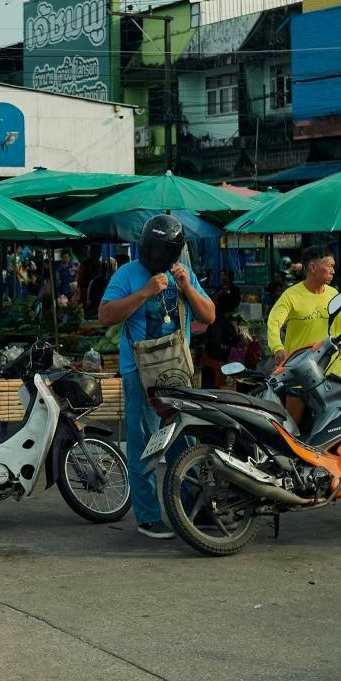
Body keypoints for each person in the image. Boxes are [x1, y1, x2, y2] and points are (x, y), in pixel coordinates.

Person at [98, 215, 216, 540]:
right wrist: (144, 293)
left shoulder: (184, 274)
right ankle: (148, 517)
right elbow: (105, 315)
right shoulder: (127, 274)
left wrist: (187, 288)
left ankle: (195, 508)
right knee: (145, 446)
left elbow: (209, 315)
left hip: (177, 374)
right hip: (140, 375)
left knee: (186, 440)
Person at [265, 244, 341, 378]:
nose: (333, 271)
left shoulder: (333, 294)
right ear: (313, 267)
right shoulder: (291, 296)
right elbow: (273, 323)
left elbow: (338, 334)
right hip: (300, 374)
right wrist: (277, 347)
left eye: (333, 266)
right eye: (329, 266)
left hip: (332, 375)